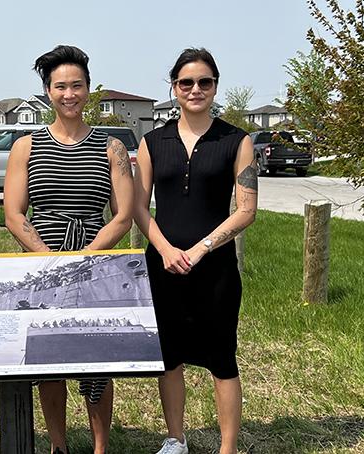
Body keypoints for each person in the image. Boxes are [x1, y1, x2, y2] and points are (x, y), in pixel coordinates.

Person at [3, 45, 134, 454]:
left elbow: (123, 214)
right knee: (50, 361)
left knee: (98, 360)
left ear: (88, 89)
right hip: (42, 263)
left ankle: (99, 447)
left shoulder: (111, 147)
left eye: (77, 85)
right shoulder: (27, 146)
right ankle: (58, 445)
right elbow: (14, 212)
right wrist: (48, 259)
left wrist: (87, 258)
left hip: (97, 261)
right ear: (48, 91)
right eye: (60, 86)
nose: (69, 94)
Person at [132, 48, 257, 454]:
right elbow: (138, 206)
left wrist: (202, 248)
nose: (195, 89)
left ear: (215, 87)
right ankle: (175, 439)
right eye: (186, 82)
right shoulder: (152, 142)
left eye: (205, 82)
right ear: (174, 87)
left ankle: (227, 446)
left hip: (215, 268)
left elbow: (246, 210)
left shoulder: (236, 141)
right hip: (163, 267)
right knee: (169, 358)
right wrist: (166, 249)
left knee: (222, 358)